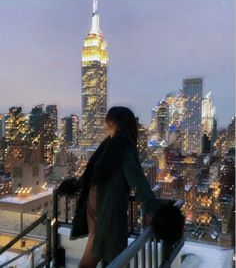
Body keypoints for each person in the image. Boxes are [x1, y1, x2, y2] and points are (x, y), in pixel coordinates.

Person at [57, 106, 184, 268]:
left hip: (99, 206)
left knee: (99, 249)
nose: (105, 124)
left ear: (116, 123)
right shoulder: (120, 147)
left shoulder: (111, 146)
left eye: (108, 121)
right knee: (111, 253)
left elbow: (93, 174)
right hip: (107, 209)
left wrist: (74, 185)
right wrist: (152, 208)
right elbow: (138, 182)